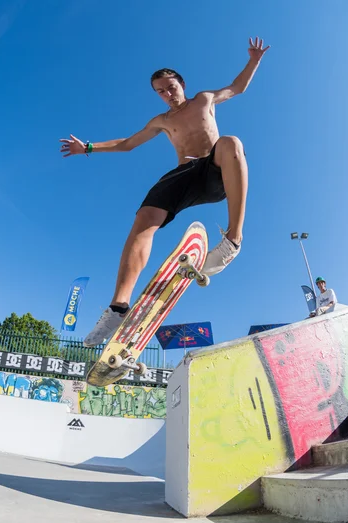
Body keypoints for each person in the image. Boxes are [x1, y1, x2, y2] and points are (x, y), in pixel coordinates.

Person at [60, 37, 270, 347]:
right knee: (143, 220)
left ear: (182, 84)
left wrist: (254, 60)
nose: (167, 94)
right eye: (161, 91)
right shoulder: (161, 121)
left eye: (171, 87)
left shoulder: (205, 99)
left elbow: (237, 87)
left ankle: (233, 240)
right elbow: (128, 144)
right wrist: (88, 147)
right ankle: (118, 307)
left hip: (214, 172)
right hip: (182, 175)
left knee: (231, 143)